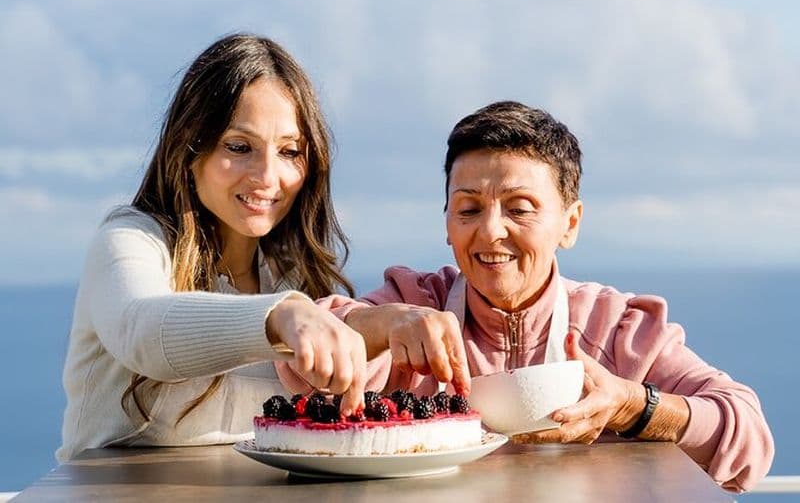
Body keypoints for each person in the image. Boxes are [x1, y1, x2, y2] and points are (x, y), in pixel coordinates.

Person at [278, 101, 774, 493]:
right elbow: (305, 359)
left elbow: (748, 437)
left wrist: (632, 406)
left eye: (519, 208)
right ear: (447, 222)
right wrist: (380, 326)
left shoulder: (617, 327)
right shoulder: (415, 301)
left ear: (570, 222)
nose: (491, 232)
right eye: (468, 209)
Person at [57, 33, 367, 462]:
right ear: (189, 149)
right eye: (239, 148)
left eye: (289, 151)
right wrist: (278, 316)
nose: (267, 175)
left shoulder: (292, 275)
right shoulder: (130, 240)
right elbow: (141, 329)